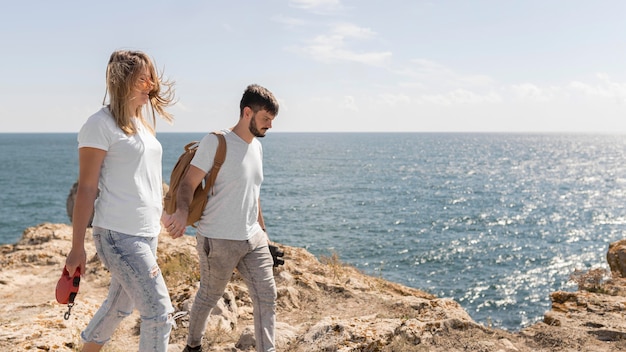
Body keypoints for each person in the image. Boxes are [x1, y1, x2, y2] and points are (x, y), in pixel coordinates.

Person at [64, 50, 177, 352]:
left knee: (119, 307)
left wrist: (164, 217)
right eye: (143, 78)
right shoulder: (99, 125)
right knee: (160, 315)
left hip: (146, 233)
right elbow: (87, 189)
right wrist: (77, 248)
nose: (151, 84)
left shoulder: (142, 126)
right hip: (118, 235)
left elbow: (148, 183)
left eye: (151, 78)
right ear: (123, 80)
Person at [162, 84, 280, 352]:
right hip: (218, 239)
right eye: (266, 119)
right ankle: (193, 346)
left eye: (272, 121)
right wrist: (181, 213)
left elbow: (254, 194)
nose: (270, 126)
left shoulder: (257, 148)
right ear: (247, 113)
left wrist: (266, 236)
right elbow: (187, 184)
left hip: (253, 239)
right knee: (209, 295)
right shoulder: (217, 142)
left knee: (267, 297)